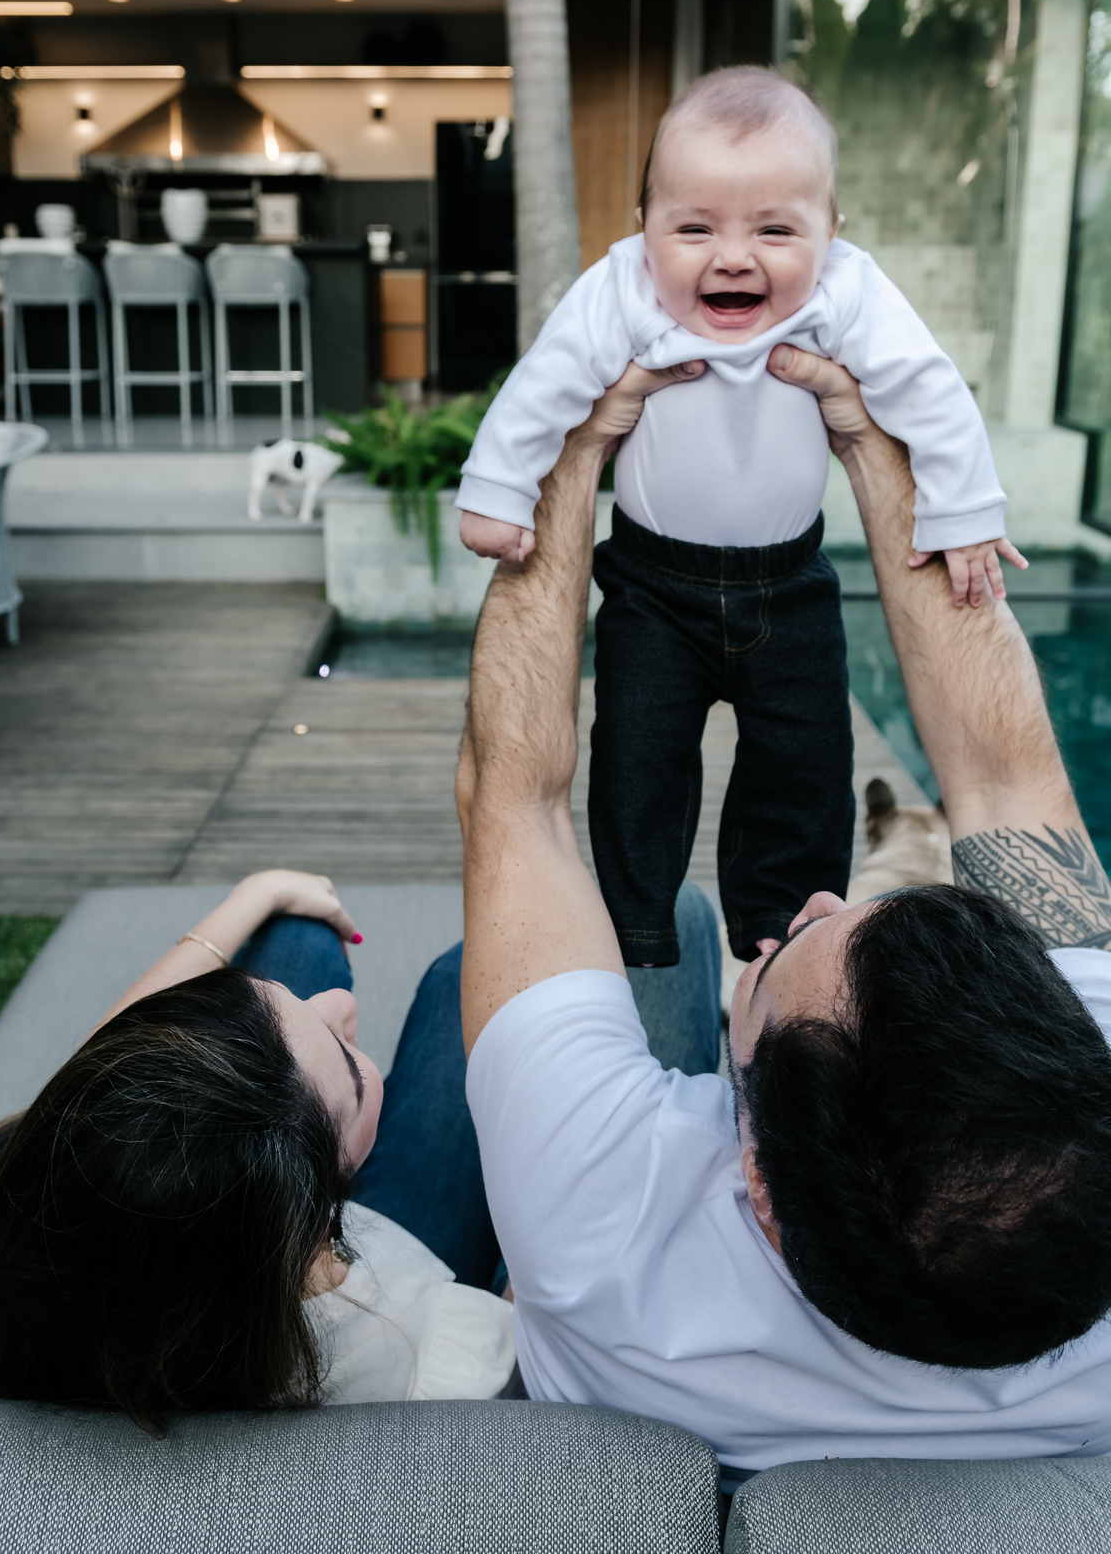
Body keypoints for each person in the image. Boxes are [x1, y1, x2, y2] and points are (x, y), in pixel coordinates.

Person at [457, 349, 1111, 1491]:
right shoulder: (1079, 1043)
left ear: (753, 1179)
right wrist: (865, 434)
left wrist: (571, 456)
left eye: (799, 945)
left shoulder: (599, 1228)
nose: (818, 899)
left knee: (643, 932)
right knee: (690, 933)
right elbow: (1007, 783)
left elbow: (517, 803)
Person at [456, 67, 1024, 965]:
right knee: (637, 761)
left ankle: (778, 934)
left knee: (804, 769)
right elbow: (545, 385)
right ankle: (636, 925)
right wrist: (498, 490)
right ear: (644, 229)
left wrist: (962, 513)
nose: (732, 256)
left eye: (774, 229)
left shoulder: (847, 292)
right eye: (694, 227)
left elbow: (929, 390)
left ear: (831, 232)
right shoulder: (624, 290)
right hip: (651, 587)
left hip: (789, 588)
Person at [0, 861, 723, 1431]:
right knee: (656, 921)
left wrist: (256, 893)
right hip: (410, 1283)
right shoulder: (443, 1351)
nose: (339, 1001)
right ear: (315, 1213)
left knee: (293, 930)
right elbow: (583, 1317)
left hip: (287, 1271)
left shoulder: (55, 1216)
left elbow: (122, 1065)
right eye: (349, 1069)